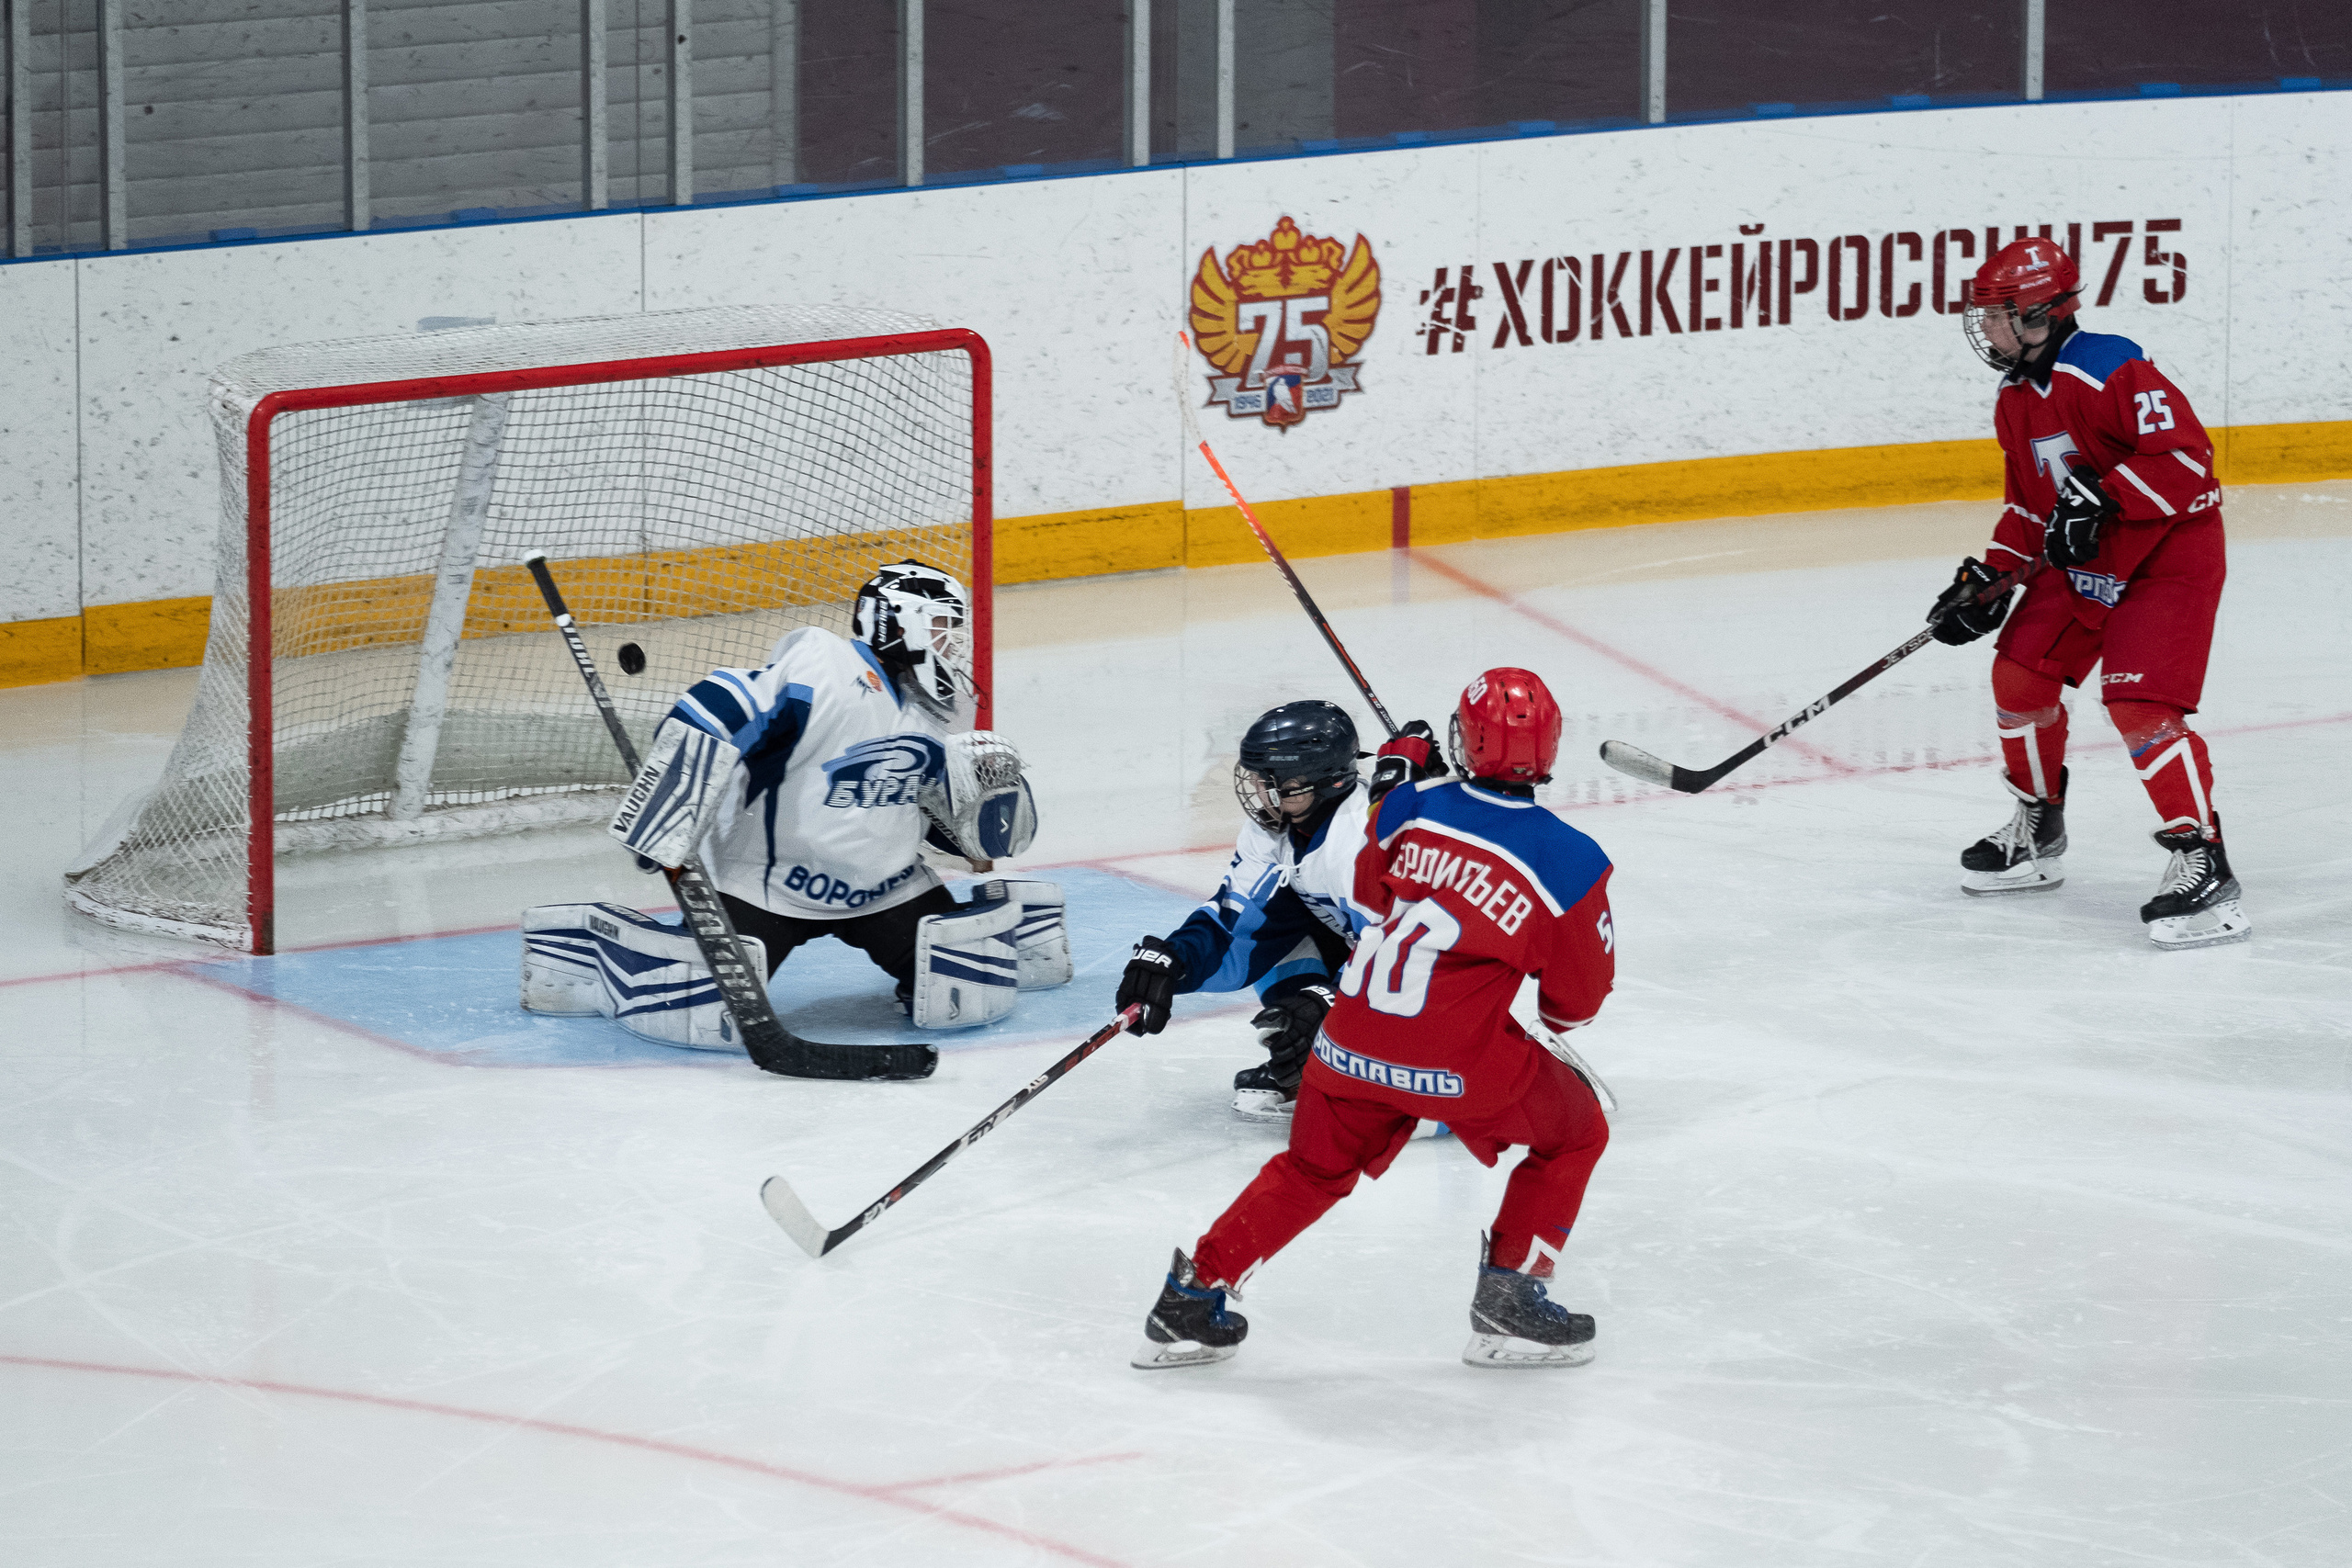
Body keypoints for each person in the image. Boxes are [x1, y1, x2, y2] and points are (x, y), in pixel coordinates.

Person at [1132, 668, 1618, 1371]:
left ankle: (1191, 1298)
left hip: (1346, 1046)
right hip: (1455, 1062)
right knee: (1578, 1129)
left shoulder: (1407, 807)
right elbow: (1571, 1008)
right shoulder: (1573, 859)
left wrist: (1396, 786)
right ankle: (1509, 1301)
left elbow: (1369, 890)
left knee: (1310, 1169)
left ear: (1462, 738)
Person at [521, 560, 1069, 1048]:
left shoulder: (934, 711)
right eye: (944, 626)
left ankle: (1007, 922)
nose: (955, 644)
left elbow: (917, 811)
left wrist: (970, 818)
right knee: (693, 1010)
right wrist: (669, 806)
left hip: (886, 891)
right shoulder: (826, 668)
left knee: (969, 993)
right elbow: (718, 703)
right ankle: (586, 947)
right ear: (901, 623)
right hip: (767, 889)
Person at [1930, 236, 2248, 950]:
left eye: (1997, 314)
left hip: (2168, 552)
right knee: (2019, 674)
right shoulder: (2014, 398)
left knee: (2140, 704)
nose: (1986, 328)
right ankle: (2038, 827)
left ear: (2040, 312)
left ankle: (2205, 861)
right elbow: (2029, 508)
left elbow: (2189, 462)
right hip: (2088, 559)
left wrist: (2105, 496)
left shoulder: (2110, 366)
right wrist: (1991, 578)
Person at [1114, 700, 1444, 1120]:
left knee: (1384, 1063)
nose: (1260, 792)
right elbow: (1235, 922)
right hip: (1368, 956)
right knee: (1274, 924)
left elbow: (1405, 955)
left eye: (1275, 782)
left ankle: (1422, 1082)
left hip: (1434, 977)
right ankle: (1325, 1063)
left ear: (1322, 781)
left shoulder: (1361, 839)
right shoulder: (1274, 830)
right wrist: (1175, 962)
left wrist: (1326, 1004)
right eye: (1258, 779)